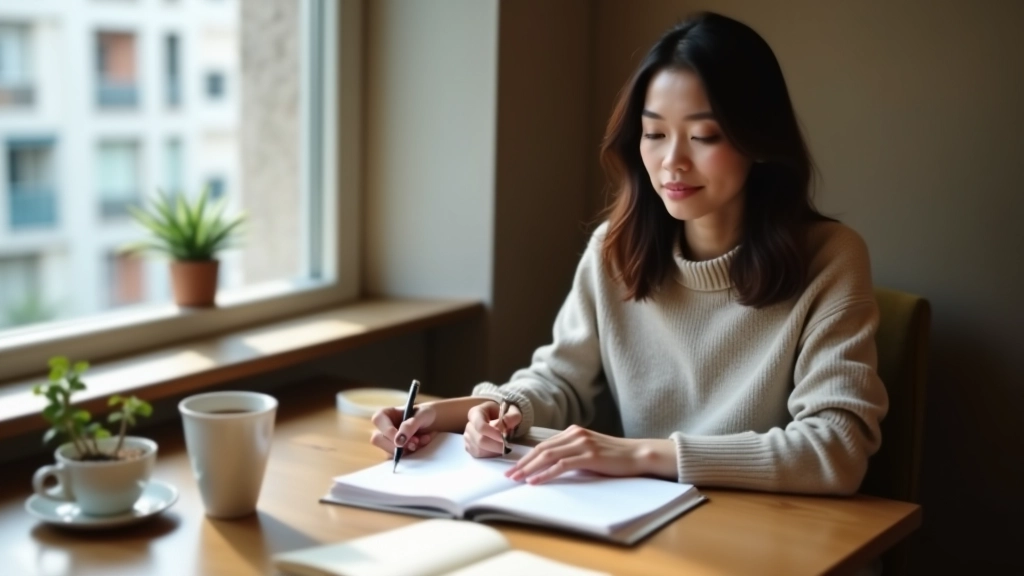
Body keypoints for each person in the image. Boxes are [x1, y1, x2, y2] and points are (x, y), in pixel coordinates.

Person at [369, 11, 887, 496]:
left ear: (757, 138)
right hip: (642, 529)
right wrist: (467, 413)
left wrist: (637, 454)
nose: (672, 162)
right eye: (655, 133)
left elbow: (836, 449)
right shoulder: (616, 250)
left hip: (772, 539)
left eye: (704, 135)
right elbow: (557, 380)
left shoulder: (830, 259)